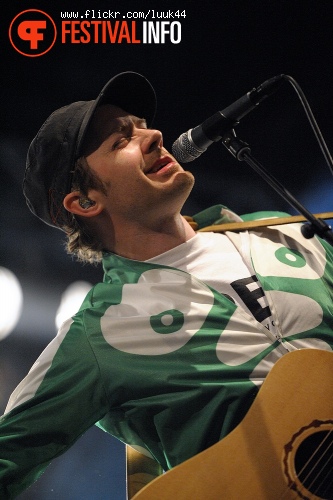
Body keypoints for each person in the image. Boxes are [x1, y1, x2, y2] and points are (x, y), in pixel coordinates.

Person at [1, 71, 333, 498]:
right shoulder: (98, 336)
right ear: (85, 201)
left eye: (142, 125)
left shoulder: (286, 232)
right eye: (121, 140)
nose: (155, 135)